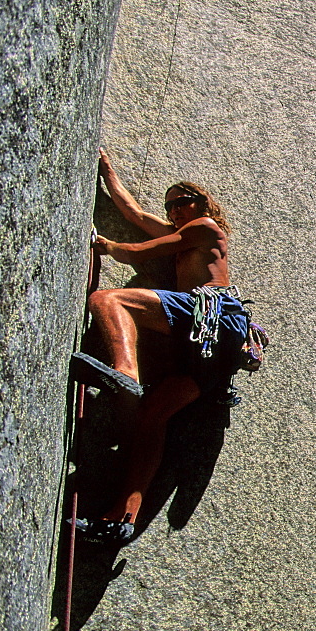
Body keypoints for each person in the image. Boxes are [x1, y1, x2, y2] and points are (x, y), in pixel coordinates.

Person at [69, 148, 247, 543]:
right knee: (151, 417)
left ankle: (123, 373)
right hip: (216, 350)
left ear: (200, 203)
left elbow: (147, 250)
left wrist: (111, 247)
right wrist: (108, 173)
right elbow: (134, 214)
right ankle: (122, 518)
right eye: (169, 207)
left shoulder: (204, 227)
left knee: (108, 300)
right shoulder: (185, 233)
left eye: (180, 203)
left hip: (211, 313)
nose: (173, 211)